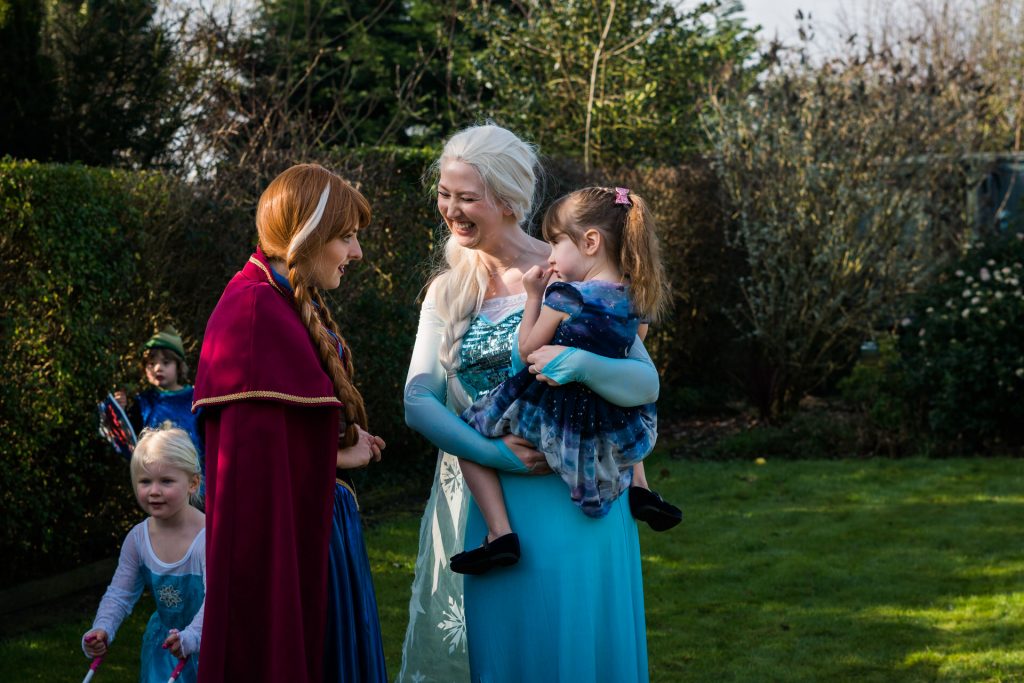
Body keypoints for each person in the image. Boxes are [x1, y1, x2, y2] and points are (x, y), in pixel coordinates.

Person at [398, 124, 661, 682]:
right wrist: (499, 456)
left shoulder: (571, 272)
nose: (451, 209)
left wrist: (583, 366)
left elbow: (643, 382)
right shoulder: (448, 291)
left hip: (581, 499)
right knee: (508, 658)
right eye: (445, 194)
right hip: (499, 518)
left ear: (510, 200)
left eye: (467, 197)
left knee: (577, 654)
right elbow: (417, 401)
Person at [192, 164, 386, 683]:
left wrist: (341, 445)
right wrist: (345, 455)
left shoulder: (279, 297)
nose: (357, 254)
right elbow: (255, 470)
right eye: (346, 238)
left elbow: (287, 440)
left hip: (320, 531)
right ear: (308, 236)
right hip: (290, 546)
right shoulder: (253, 311)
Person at [453, 185, 681, 574]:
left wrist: (532, 296)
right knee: (625, 420)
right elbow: (627, 349)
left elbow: (527, 350)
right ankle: (641, 490)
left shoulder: (566, 295)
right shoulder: (635, 298)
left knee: (466, 434)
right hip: (605, 412)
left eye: (556, 243)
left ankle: (499, 533)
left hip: (554, 405)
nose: (551, 255)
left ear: (590, 242)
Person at [82, 424, 205, 683]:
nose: (154, 491)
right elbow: (120, 594)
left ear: (193, 483)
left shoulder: (208, 537)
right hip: (164, 649)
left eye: (166, 481)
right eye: (145, 481)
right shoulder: (138, 539)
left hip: (208, 642)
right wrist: (102, 628)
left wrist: (191, 638)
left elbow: (215, 600)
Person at [114, 327, 204, 485]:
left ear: (179, 366)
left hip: (194, 483)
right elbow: (129, 441)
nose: (157, 368)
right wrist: (119, 410)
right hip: (155, 483)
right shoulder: (142, 402)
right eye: (151, 363)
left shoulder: (195, 398)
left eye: (166, 362)